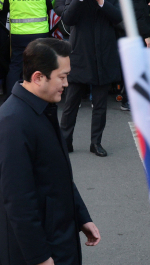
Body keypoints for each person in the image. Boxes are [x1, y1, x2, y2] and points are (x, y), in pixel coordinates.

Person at [0, 38, 100, 265]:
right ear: (38, 77)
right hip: (41, 251)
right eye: (62, 77)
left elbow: (58, 174)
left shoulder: (41, 109)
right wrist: (40, 257)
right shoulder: (13, 123)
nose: (67, 83)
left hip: (59, 238)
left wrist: (81, 217)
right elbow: (17, 200)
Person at [60, 0, 122, 157]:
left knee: (100, 105)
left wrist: (99, 0)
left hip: (104, 55)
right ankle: (65, 140)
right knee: (71, 103)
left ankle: (96, 142)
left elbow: (119, 18)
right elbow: (68, 20)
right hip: (80, 54)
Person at [0, 0, 54, 93]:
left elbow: (2, 8)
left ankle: (12, 99)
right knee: (41, 66)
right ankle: (42, 97)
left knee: (16, 66)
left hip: (18, 34)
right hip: (40, 33)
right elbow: (52, 5)